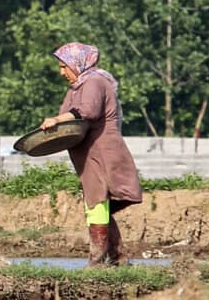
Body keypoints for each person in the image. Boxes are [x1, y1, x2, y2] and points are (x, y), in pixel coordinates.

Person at [40, 42, 142, 265]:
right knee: (98, 204)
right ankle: (117, 258)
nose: (61, 72)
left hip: (103, 151)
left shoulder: (95, 81)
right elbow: (68, 114)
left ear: (76, 63)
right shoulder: (77, 86)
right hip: (87, 153)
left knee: (98, 203)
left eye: (63, 66)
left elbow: (88, 111)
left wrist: (57, 120)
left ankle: (97, 261)